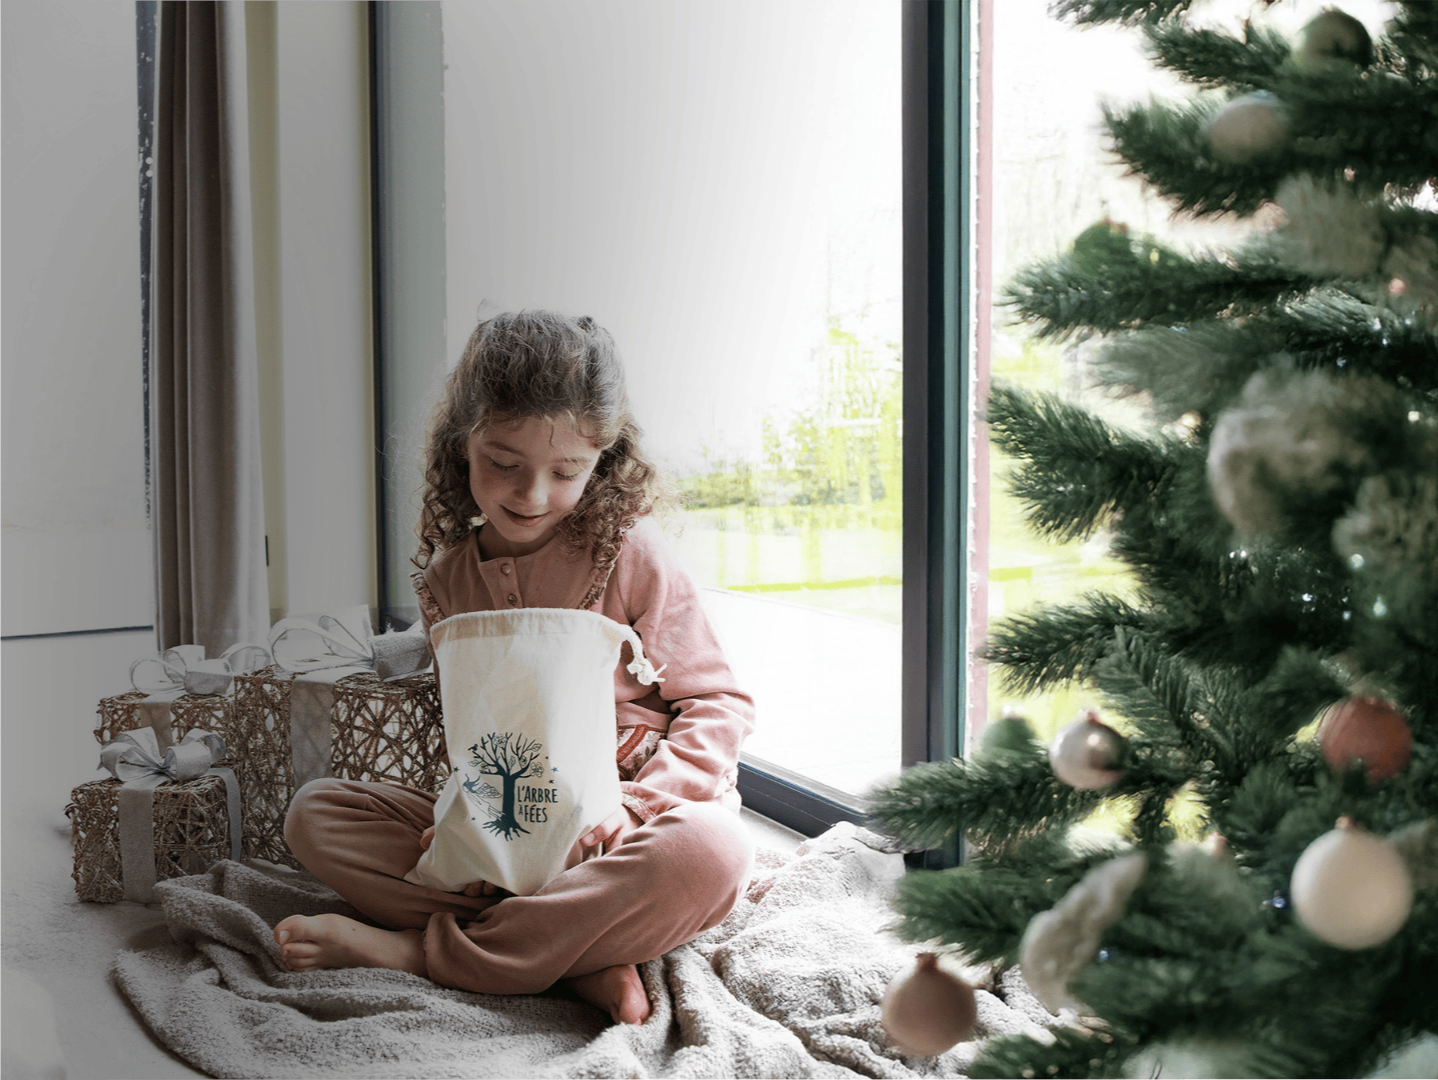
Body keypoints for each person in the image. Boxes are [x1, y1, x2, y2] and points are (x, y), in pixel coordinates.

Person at [272, 311, 756, 1026]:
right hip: (513, 819)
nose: (532, 496)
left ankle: (424, 952)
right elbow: (476, 729)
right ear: (461, 444)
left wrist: (638, 806)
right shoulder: (447, 580)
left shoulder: (627, 551)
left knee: (714, 854)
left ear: (604, 459)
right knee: (316, 817)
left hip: (621, 828)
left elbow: (719, 703)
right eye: (503, 464)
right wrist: (457, 817)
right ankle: (576, 957)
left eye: (566, 472)